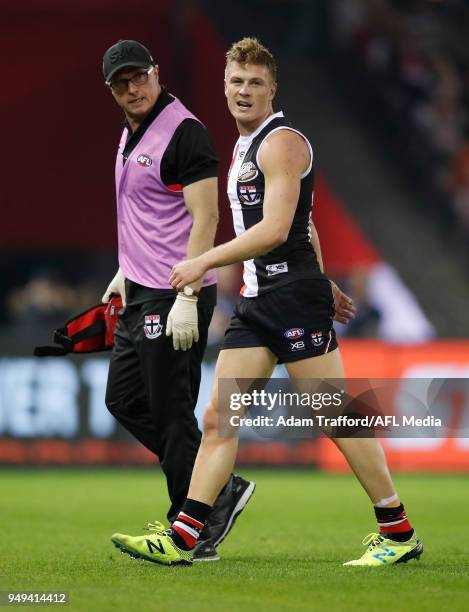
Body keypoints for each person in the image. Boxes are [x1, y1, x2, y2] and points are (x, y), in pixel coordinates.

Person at [111, 38, 423, 567]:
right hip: (260, 302)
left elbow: (278, 230)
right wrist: (326, 281)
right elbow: (304, 223)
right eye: (236, 82)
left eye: (255, 83)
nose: (244, 91)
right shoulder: (244, 146)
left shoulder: (281, 143)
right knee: (218, 419)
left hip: (291, 300)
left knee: (338, 415)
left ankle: (397, 531)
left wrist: (204, 262)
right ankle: (185, 537)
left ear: (272, 89)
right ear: (225, 86)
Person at [101, 39, 256, 562]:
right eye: (121, 83)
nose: (132, 88)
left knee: (171, 414)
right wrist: (125, 270)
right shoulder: (130, 132)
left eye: (138, 77)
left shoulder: (184, 132)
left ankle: (190, 529)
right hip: (142, 290)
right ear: (111, 90)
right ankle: (220, 489)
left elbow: (205, 218)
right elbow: (147, 213)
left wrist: (188, 294)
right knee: (123, 400)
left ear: (156, 72)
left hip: (174, 294)